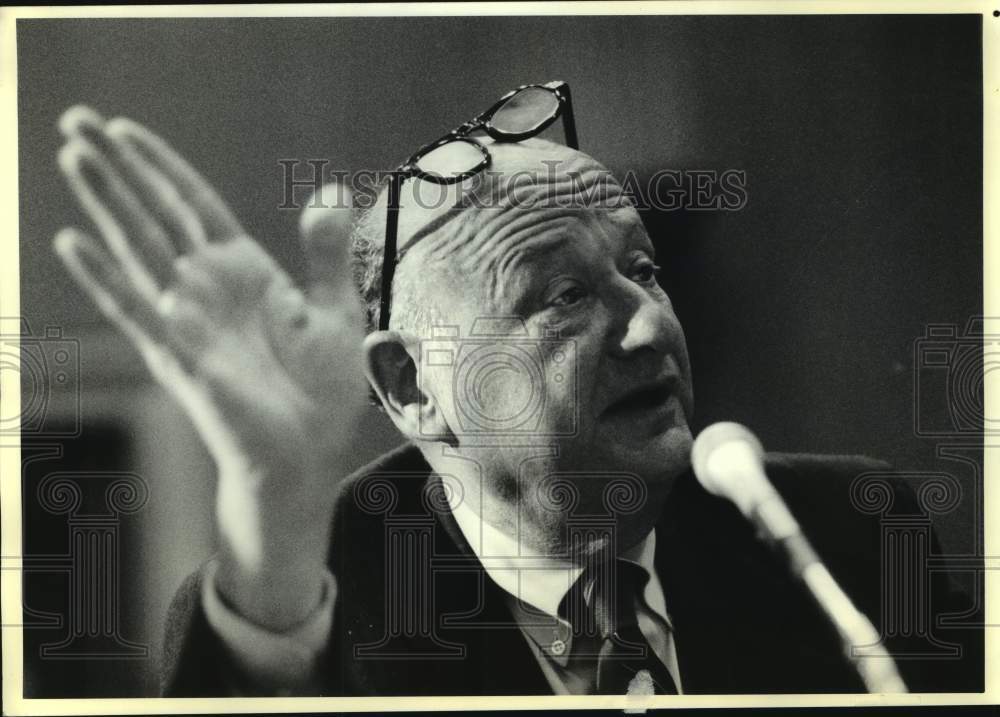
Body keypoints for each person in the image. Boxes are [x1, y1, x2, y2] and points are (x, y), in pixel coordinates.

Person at [53, 83, 981, 697]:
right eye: (565, 295)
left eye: (644, 269)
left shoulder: (845, 532)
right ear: (413, 387)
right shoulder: (312, 594)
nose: (651, 323)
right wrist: (274, 504)